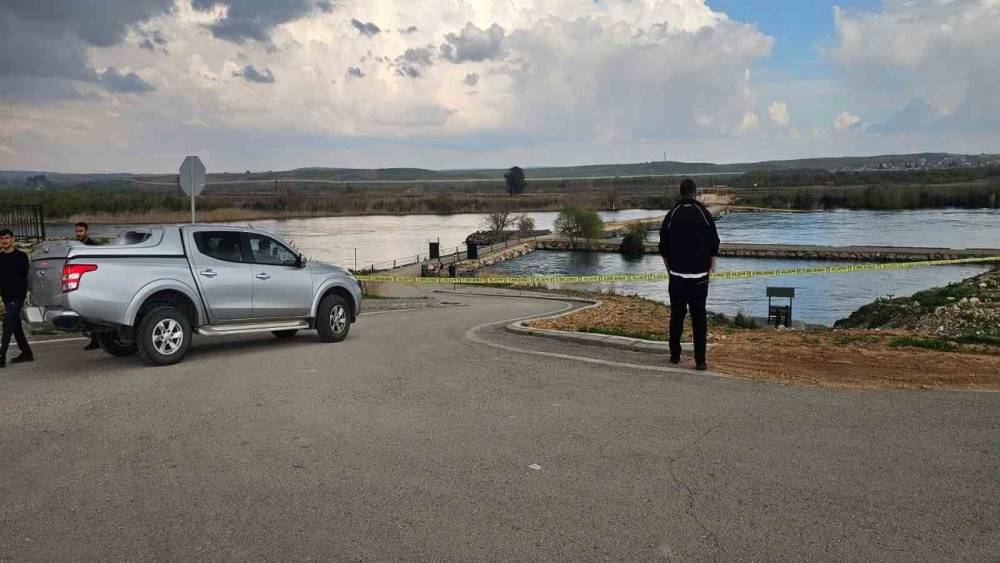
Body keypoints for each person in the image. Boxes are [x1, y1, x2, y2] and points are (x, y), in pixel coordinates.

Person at [658, 178, 720, 371]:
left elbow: (663, 246)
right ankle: (700, 360)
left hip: (677, 276)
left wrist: (669, 269)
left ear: (680, 192)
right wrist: (711, 265)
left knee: (677, 316)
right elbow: (714, 242)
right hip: (700, 277)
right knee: (699, 318)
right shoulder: (704, 213)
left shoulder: (671, 214)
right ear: (695, 193)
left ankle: (675, 355)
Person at [0, 228, 34, 367]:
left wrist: (28, 294)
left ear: (12, 239)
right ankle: (26, 352)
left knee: (7, 321)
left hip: (17, 296)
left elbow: (28, 277)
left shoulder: (21, 256)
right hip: (6, 297)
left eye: (7, 238)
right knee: (15, 324)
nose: (4, 241)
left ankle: (1, 355)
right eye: (2, 238)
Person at [75, 222, 101, 351]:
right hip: (82, 281)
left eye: (81, 231)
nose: (78, 234)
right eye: (77, 231)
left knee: (94, 312)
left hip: (93, 281)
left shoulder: (93, 246)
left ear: (87, 231)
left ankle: (96, 340)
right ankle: (94, 339)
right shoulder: (76, 246)